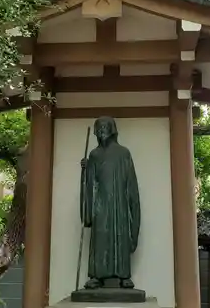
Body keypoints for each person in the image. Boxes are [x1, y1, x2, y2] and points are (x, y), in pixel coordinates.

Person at [80, 116, 141, 289]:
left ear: (112, 130)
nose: (101, 131)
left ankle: (124, 275)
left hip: (120, 203)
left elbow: (131, 182)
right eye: (99, 128)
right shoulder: (94, 155)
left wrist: (131, 203)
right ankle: (96, 276)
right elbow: (91, 184)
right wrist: (85, 171)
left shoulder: (124, 153)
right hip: (100, 205)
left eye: (105, 127)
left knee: (121, 235)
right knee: (100, 237)